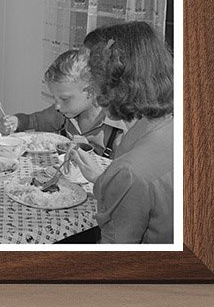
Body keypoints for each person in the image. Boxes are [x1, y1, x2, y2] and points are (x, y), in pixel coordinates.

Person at [65, 21, 174, 244]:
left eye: (90, 76)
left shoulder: (127, 172)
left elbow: (113, 259)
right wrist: (102, 181)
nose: (88, 88)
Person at [0, 47, 126, 157]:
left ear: (92, 91)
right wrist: (16, 121)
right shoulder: (62, 114)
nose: (57, 106)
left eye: (64, 99)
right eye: (54, 98)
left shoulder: (117, 128)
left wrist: (88, 151)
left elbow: (120, 177)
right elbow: (33, 120)